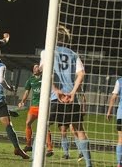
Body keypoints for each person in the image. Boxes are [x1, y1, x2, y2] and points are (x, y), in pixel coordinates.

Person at [40, 25, 92, 167]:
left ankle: (36, 161)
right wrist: (73, 92)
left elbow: (45, 72)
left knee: (43, 128)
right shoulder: (73, 54)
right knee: (79, 129)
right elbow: (81, 74)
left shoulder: (47, 52)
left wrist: (56, 90)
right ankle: (89, 164)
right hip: (71, 97)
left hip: (54, 97)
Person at [18, 64, 53, 156]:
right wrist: (22, 101)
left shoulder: (45, 78)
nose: (34, 69)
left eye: (37, 67)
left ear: (40, 69)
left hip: (43, 106)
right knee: (28, 123)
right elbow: (26, 92)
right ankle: (29, 145)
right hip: (34, 106)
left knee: (45, 126)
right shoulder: (30, 80)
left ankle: (50, 148)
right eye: (33, 67)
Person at [60, 89, 86, 161]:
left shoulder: (77, 85)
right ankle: (66, 153)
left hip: (74, 107)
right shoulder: (62, 85)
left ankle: (81, 152)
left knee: (74, 130)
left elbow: (83, 97)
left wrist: (83, 108)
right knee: (63, 131)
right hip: (64, 107)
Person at [107, 77, 122, 167]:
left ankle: (119, 163)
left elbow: (113, 97)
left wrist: (109, 111)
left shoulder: (119, 81)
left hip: (121, 115)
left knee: (120, 139)